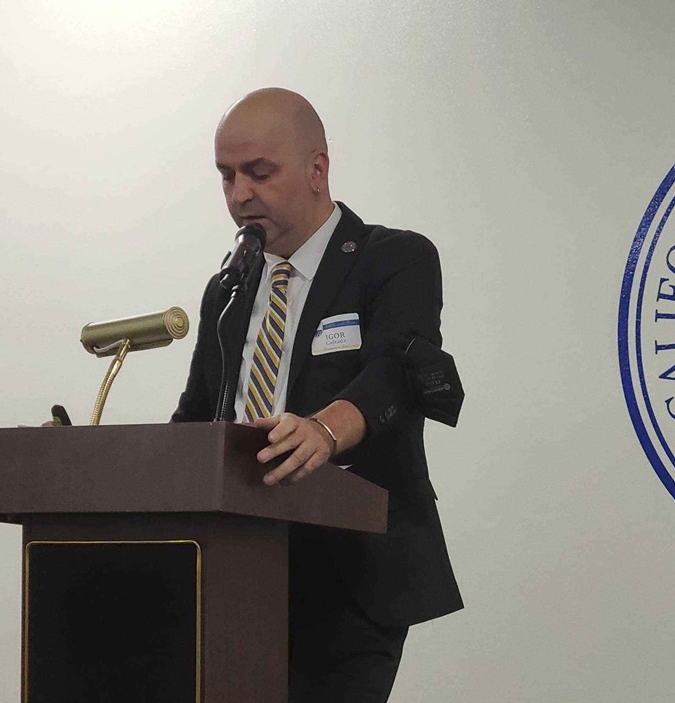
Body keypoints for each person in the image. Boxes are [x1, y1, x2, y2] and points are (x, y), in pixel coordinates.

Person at [171, 87, 462, 702]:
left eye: (259, 172)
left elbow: (394, 374)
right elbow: (197, 417)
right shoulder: (226, 290)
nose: (239, 194)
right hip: (233, 569)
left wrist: (325, 431)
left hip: (352, 575)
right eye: (226, 176)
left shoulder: (395, 259)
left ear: (316, 170)